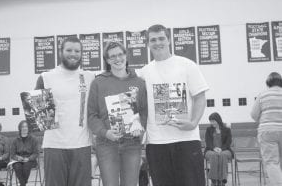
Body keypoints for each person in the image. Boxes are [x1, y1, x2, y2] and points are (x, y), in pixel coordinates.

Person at [136, 24, 209, 186]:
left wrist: (193, 122)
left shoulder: (187, 65)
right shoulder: (143, 73)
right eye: (153, 40)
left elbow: (200, 97)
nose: (158, 42)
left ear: (169, 40)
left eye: (161, 38)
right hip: (156, 143)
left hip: (187, 140)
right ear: (148, 44)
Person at [35, 36, 95, 186]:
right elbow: (38, 116)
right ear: (61, 52)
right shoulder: (45, 77)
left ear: (82, 53)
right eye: (69, 50)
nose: (73, 54)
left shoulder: (90, 77)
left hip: (82, 145)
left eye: (77, 51)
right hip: (54, 146)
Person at [87, 41, 148, 186]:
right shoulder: (98, 83)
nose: (117, 59)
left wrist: (140, 128)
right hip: (107, 144)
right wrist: (105, 132)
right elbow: (91, 115)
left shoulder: (139, 82)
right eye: (112, 56)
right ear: (107, 60)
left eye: (120, 54)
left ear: (126, 56)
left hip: (132, 143)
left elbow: (144, 111)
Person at [251, 72, 282, 186]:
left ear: (268, 83)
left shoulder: (263, 95)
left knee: (272, 162)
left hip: (267, 130)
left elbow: (254, 115)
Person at [204, 112, 233, 186]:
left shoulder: (227, 130)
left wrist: (221, 149)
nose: (212, 122)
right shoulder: (209, 130)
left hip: (225, 150)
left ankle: (222, 180)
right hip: (211, 150)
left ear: (218, 120)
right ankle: (214, 180)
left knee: (223, 155)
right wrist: (214, 148)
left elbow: (228, 142)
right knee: (214, 155)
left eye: (213, 121)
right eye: (210, 121)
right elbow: (208, 141)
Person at [10, 120, 39, 186]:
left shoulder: (34, 139)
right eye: (22, 127)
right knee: (17, 167)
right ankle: (23, 184)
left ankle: (22, 184)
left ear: (29, 128)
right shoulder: (15, 140)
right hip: (18, 159)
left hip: (30, 160)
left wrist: (28, 159)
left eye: (26, 126)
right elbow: (12, 154)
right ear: (20, 128)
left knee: (26, 166)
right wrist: (17, 157)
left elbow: (36, 153)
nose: (24, 128)